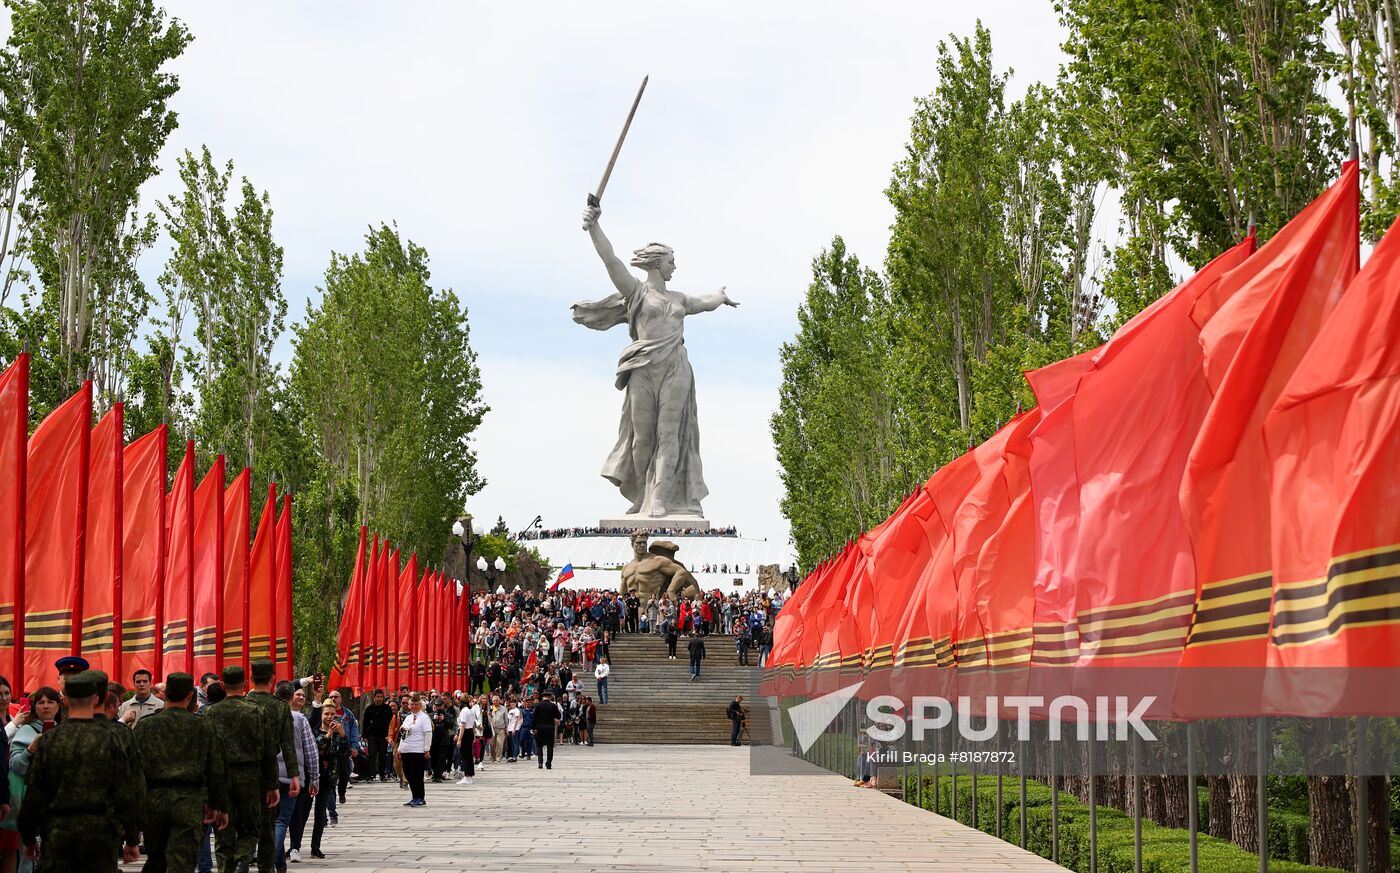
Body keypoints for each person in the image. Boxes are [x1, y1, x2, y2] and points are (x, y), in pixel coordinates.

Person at [17, 670, 143, 870]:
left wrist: (29, 837)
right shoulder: (110, 738)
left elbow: (35, 791)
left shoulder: (50, 739)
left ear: (65, 700)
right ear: (95, 699)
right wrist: (132, 837)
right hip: (100, 831)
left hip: (58, 831)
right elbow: (125, 793)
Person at [133, 672, 228, 873]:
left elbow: (134, 769)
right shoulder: (202, 726)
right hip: (190, 800)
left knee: (156, 858)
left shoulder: (145, 725)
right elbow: (216, 768)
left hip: (154, 800)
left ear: (165, 695)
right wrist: (217, 804)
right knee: (182, 861)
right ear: (190, 696)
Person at [205, 665, 279, 873]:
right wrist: (272, 784)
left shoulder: (210, 712)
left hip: (221, 776)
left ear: (222, 685)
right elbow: (268, 751)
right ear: (245, 684)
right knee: (250, 827)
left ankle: (226, 868)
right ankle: (243, 857)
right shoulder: (256, 711)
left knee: (223, 829)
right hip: (250, 775)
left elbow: (207, 751)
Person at [272, 680, 318, 873]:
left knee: (272, 821)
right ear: (291, 697)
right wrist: (315, 777)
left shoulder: (265, 715)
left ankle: (280, 864)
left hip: (268, 776)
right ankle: (273, 857)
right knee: (281, 821)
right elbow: (311, 750)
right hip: (293, 777)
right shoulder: (299, 719)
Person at [394, 694, 431, 807]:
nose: (414, 706)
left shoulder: (424, 718)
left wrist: (426, 749)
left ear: (420, 705)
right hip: (406, 749)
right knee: (409, 774)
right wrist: (400, 749)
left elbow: (428, 734)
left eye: (416, 704)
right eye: (412, 704)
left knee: (417, 775)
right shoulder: (409, 717)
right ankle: (414, 796)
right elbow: (403, 735)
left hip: (418, 750)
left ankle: (420, 797)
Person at [360, 690, 392, 783]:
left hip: (383, 736)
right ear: (374, 697)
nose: (379, 699)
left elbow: (390, 723)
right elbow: (365, 723)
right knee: (372, 755)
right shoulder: (369, 709)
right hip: (372, 735)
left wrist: (389, 735)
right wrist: (364, 735)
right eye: (378, 697)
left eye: (381, 697)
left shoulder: (387, 709)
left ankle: (382, 775)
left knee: (383, 756)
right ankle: (371, 775)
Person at [531, 692, 560, 770]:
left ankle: (540, 762)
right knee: (550, 746)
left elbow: (534, 717)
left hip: (539, 728)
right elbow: (558, 716)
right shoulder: (553, 706)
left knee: (539, 746)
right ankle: (548, 763)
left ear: (542, 697)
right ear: (550, 697)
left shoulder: (538, 705)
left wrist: (533, 728)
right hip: (550, 728)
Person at [453, 701, 476, 786]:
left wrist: (459, 739)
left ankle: (466, 776)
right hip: (470, 732)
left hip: (465, 733)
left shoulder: (464, 711)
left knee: (465, 756)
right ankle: (470, 775)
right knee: (469, 755)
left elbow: (463, 725)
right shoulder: (471, 711)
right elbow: (473, 724)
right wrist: (473, 735)